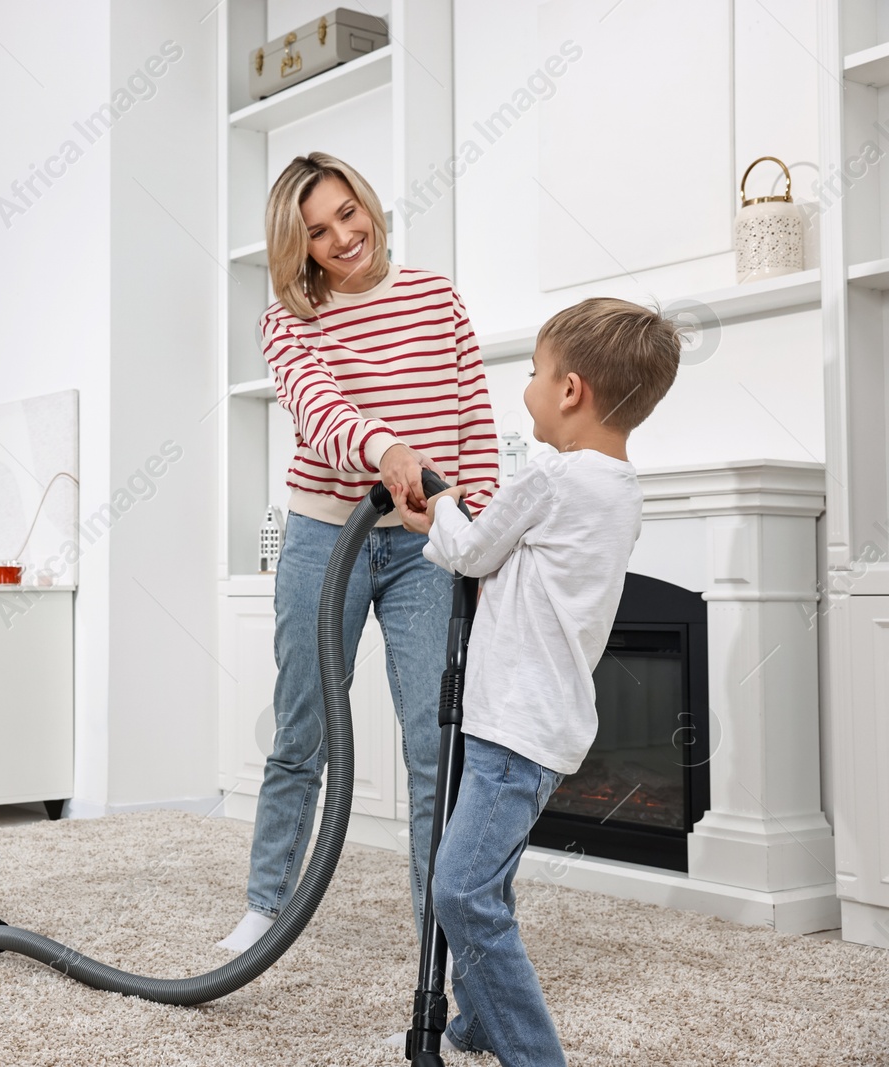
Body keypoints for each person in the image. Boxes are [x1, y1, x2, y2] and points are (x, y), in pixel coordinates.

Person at [219, 151, 499, 954]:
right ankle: (266, 906)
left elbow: (475, 425)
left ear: (368, 204)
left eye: (349, 212)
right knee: (302, 725)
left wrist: (471, 532)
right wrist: (387, 453)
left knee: (432, 741)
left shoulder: (434, 297)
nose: (345, 236)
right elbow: (319, 410)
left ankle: (438, 943)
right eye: (318, 230)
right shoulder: (287, 319)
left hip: (428, 547)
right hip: (323, 536)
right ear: (296, 246)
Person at [394, 297, 682, 1065]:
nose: (525, 388)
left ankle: (533, 1054)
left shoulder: (552, 478)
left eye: (532, 373)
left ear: (570, 390)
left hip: (510, 728)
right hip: (545, 727)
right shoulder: (621, 491)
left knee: (459, 889)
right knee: (490, 878)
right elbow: (517, 561)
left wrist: (443, 502)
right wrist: (453, 529)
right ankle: (477, 1027)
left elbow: (475, 551)